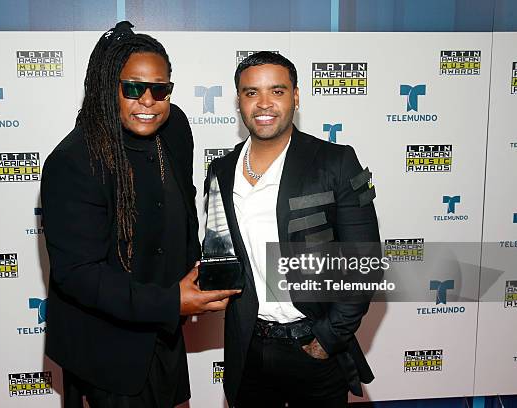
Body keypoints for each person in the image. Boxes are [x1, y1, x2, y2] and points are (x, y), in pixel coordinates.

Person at [41, 21, 239, 408]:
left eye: (160, 89)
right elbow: (79, 275)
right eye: (133, 87)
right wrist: (171, 302)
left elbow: (183, 204)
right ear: (107, 88)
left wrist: (198, 275)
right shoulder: (74, 162)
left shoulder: (175, 127)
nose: (148, 100)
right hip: (106, 349)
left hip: (163, 333)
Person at [205, 51, 380, 408]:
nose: (264, 103)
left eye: (277, 91)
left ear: (296, 97)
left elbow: (366, 261)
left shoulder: (336, 161)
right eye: (251, 92)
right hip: (248, 348)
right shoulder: (221, 170)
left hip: (313, 348)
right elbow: (220, 252)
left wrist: (329, 338)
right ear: (239, 101)